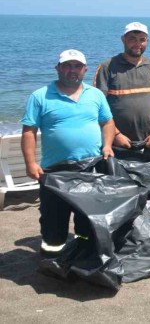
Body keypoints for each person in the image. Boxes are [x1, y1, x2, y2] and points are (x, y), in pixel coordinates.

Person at [21, 50, 115, 258]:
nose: (72, 70)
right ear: (58, 68)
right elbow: (29, 131)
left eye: (77, 66)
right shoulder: (40, 96)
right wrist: (30, 163)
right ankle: (51, 260)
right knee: (54, 219)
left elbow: (107, 122)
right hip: (54, 171)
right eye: (67, 65)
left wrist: (107, 145)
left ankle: (83, 256)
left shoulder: (95, 94)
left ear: (85, 69)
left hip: (90, 167)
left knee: (87, 218)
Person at [93, 22, 150, 149]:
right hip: (117, 143)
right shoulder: (107, 67)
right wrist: (116, 134)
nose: (137, 44)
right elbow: (98, 105)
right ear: (123, 40)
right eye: (132, 39)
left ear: (147, 41)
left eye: (142, 40)